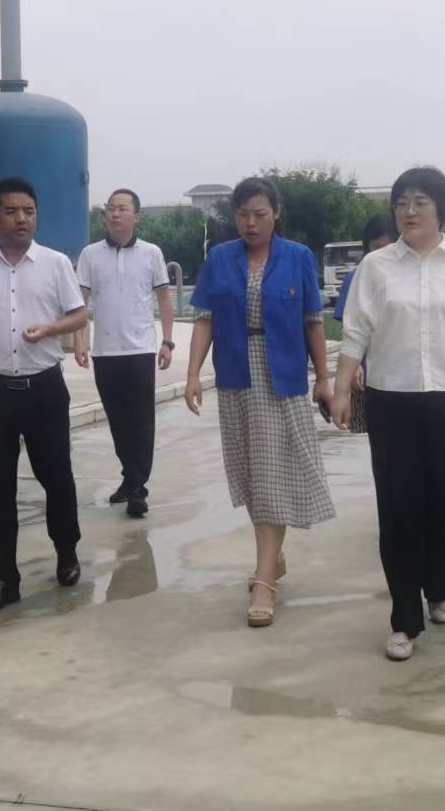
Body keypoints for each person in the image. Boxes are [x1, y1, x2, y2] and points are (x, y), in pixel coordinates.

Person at [333, 167, 445, 661]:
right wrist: (341, 389)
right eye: (401, 202)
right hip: (391, 403)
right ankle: (404, 619)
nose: (408, 212)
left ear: (441, 210)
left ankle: (440, 587)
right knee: (399, 510)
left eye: (419, 202)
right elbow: (356, 332)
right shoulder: (376, 267)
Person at [185, 177, 335, 628]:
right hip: (235, 373)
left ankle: (264, 579)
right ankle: (273, 557)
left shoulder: (297, 257)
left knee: (272, 476)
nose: (251, 223)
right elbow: (205, 320)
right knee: (251, 473)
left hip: (281, 376)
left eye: (260, 214)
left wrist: (323, 378)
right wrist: (192, 374)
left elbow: (313, 322)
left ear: (276, 214)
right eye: (243, 215)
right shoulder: (219, 258)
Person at [0, 177, 90, 615]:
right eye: (11, 211)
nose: (22, 219)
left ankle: (66, 550)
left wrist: (50, 329)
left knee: (56, 477)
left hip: (44, 388)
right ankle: (3, 579)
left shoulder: (56, 264)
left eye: (29, 211)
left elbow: (80, 315)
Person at [74, 188, 175, 518]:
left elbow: (164, 300)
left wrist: (168, 341)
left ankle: (137, 489)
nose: (115, 214)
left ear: (137, 217)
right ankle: (131, 479)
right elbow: (80, 302)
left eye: (122, 208)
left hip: (140, 350)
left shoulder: (151, 253)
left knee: (141, 422)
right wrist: (80, 340)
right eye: (110, 208)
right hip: (105, 352)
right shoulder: (90, 254)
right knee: (118, 423)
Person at [330, 213, 398, 434]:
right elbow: (349, 330)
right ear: (367, 247)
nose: (383, 253)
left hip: (403, 373)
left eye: (389, 246)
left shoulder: (411, 277)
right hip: (367, 373)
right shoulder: (355, 278)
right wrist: (355, 366)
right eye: (377, 247)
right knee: (379, 435)